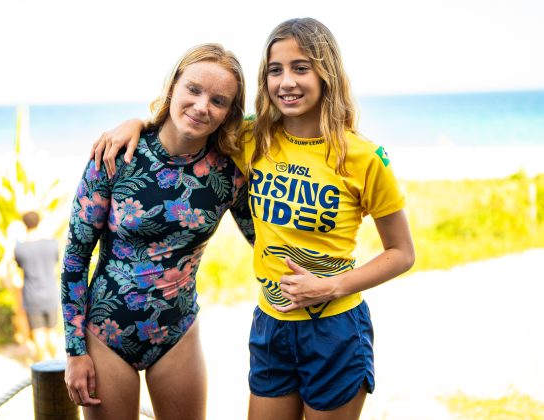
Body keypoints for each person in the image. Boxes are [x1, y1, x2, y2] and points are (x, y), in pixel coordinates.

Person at [91, 17, 415, 420]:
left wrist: (330, 287)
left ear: (326, 71)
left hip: (334, 329)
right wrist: (137, 123)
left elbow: (402, 253)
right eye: (275, 70)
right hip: (270, 326)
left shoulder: (364, 157)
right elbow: (190, 119)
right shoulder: (251, 138)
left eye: (301, 67)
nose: (286, 82)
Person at [61, 43, 254, 420]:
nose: (201, 106)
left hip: (178, 334)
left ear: (230, 113)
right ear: (173, 88)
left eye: (218, 100)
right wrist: (75, 350)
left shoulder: (229, 174)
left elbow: (263, 241)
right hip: (106, 336)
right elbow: (75, 258)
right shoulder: (116, 154)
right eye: (194, 90)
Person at [11, 210, 60, 361]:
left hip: (32, 296)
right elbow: (56, 261)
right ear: (39, 222)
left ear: (24, 225)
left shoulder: (20, 248)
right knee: (52, 332)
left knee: (38, 334)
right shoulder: (52, 244)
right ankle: (56, 364)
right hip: (51, 293)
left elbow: (18, 266)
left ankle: (44, 366)